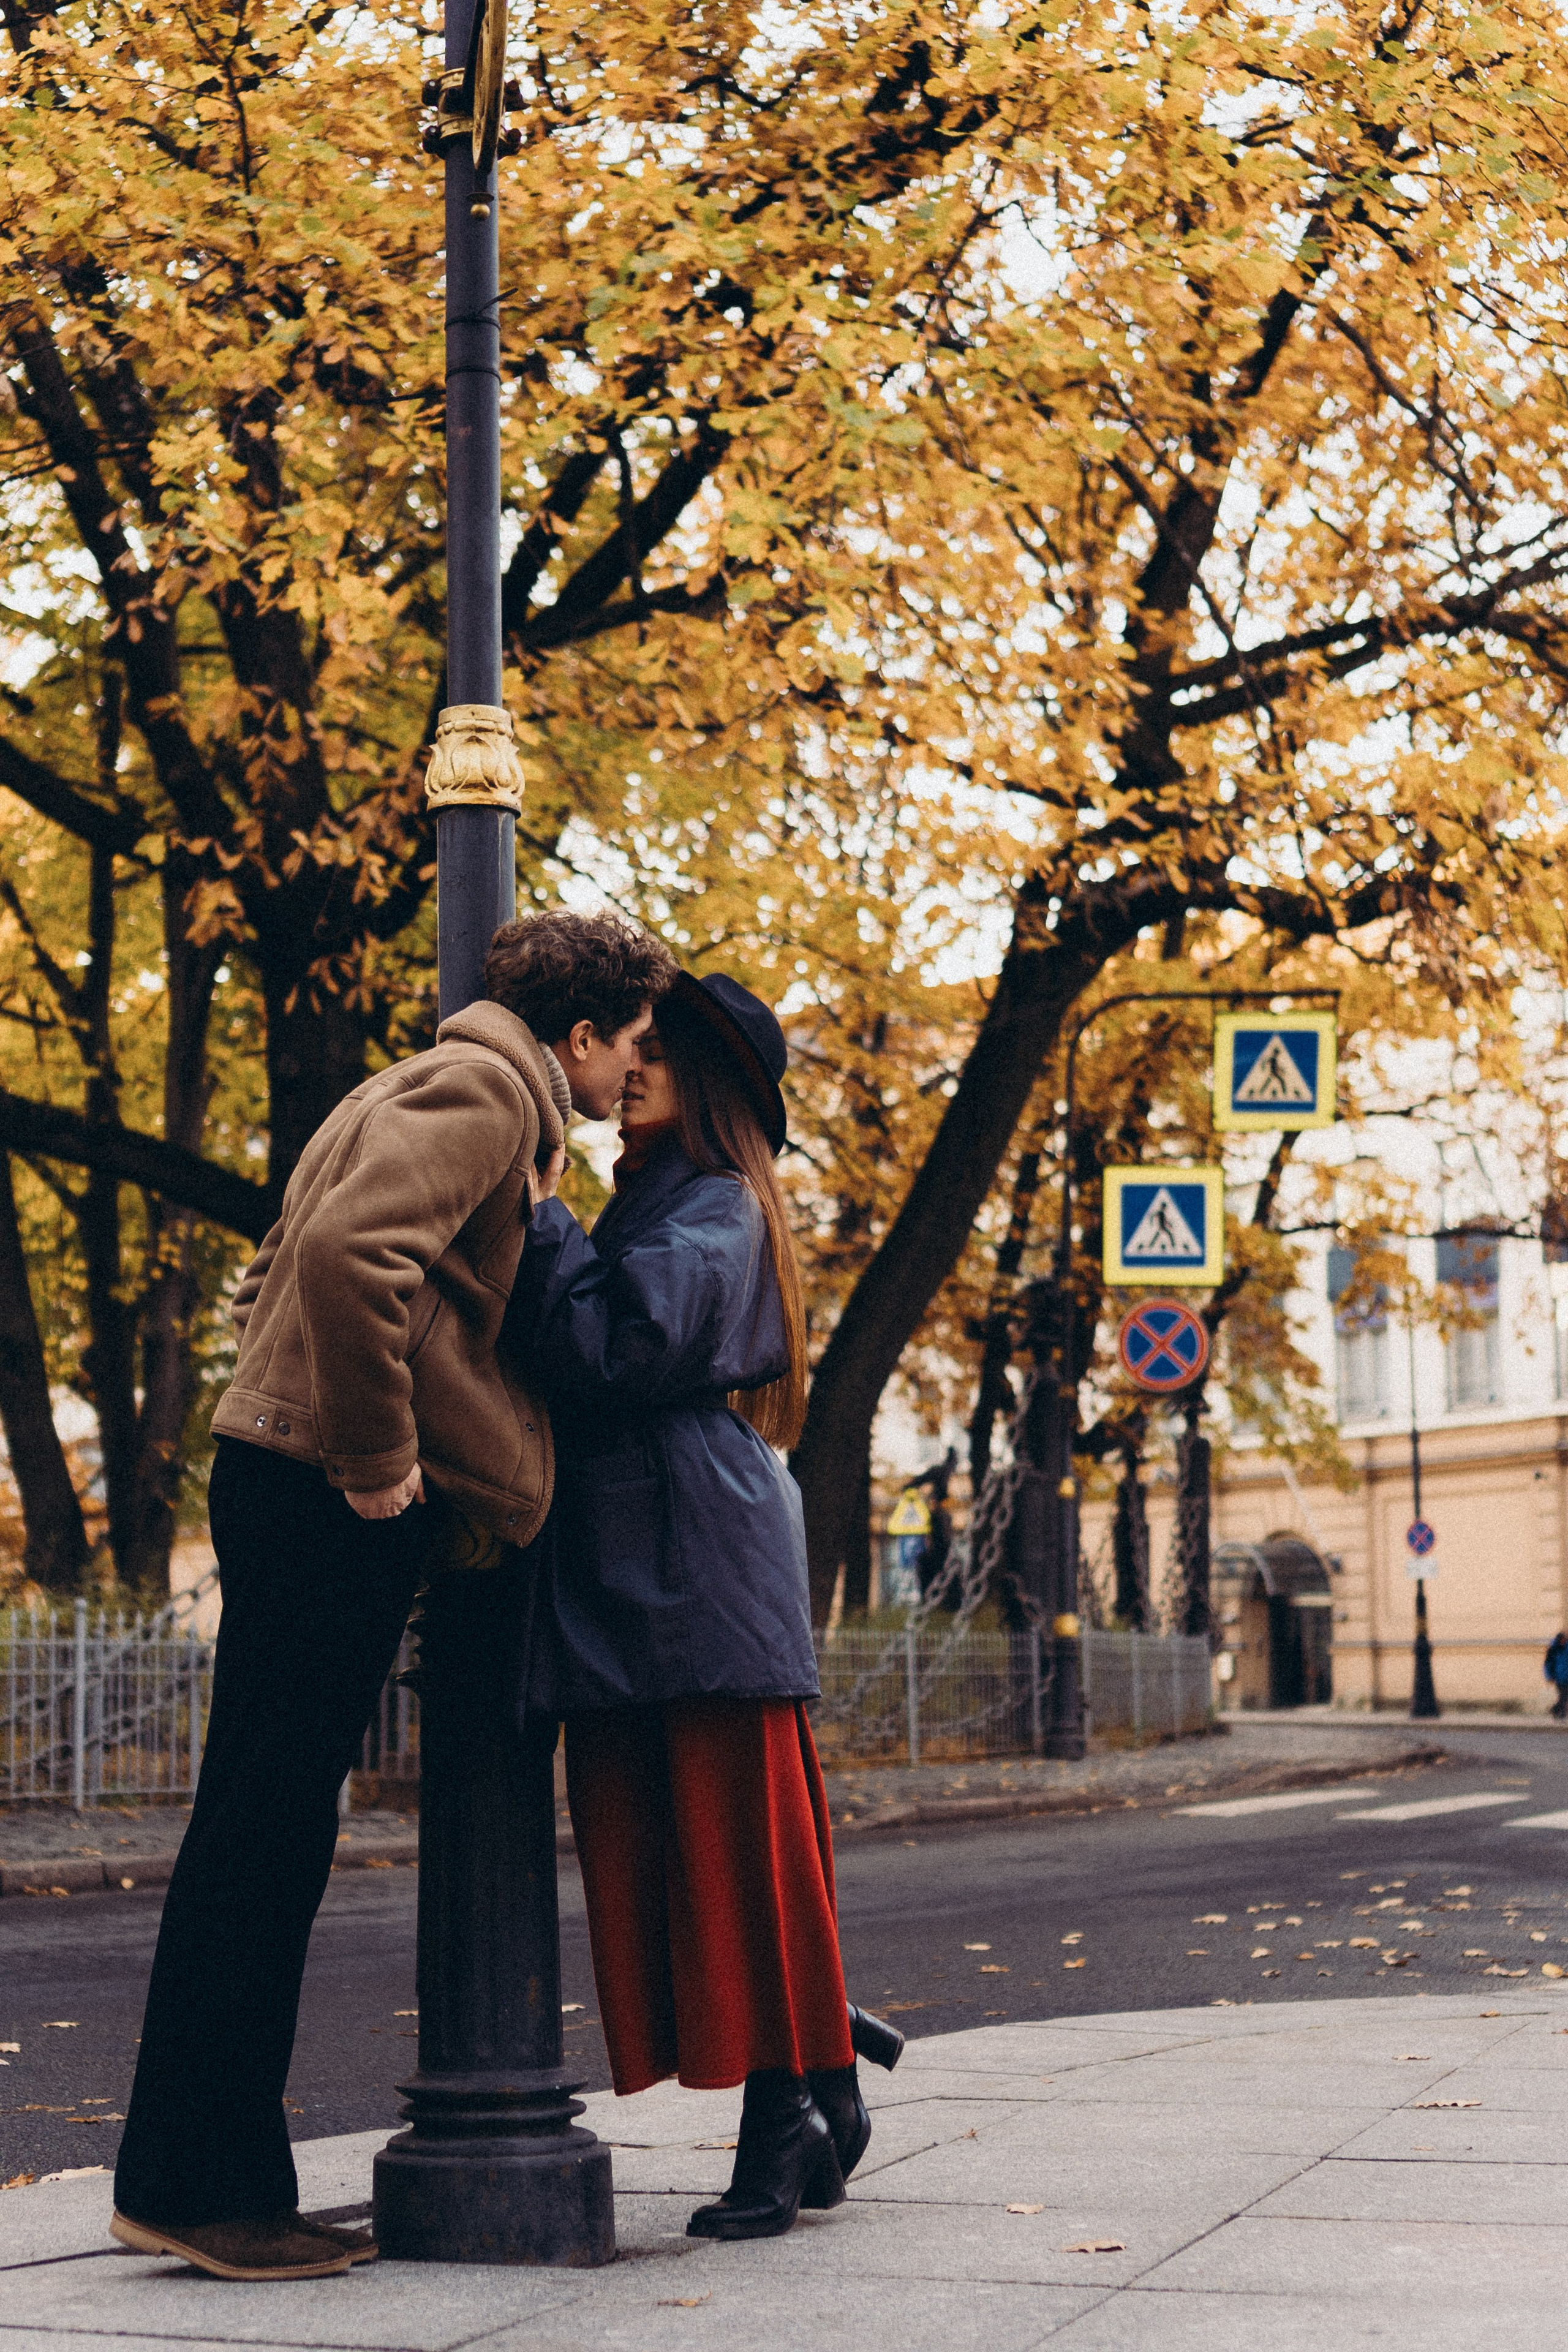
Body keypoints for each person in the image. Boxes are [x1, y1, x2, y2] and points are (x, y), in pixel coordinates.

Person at [111, 908, 675, 2282]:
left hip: (285, 1473)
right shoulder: (488, 1093)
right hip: (323, 1491)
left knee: (255, 1829)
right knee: (265, 1838)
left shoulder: (418, 1082)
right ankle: (207, 2192)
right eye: (631, 1045)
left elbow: (285, 1262)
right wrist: (371, 1458)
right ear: (580, 1035)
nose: (631, 1074)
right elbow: (345, 1259)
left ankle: (191, 2176)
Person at [508, 970, 903, 2244]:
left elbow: (614, 1348)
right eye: (630, 1050)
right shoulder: (658, 1199)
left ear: (709, 1086)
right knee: (672, 1854)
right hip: (651, 1561)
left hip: (698, 1567)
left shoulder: (718, 1204)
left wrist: (543, 1222)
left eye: (657, 1057)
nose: (628, 1070)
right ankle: (823, 2068)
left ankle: (788, 2114)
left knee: (737, 1854)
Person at [1545, 1630, 1568, 1719]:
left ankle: (1560, 1713)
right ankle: (1556, 1711)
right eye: (1563, 1639)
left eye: (1565, 1639)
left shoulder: (1566, 1648)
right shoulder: (1553, 1649)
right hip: (1559, 1678)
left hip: (1566, 1676)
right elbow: (1548, 1664)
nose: (1564, 1641)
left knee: (1564, 1697)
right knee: (1563, 1696)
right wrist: (1549, 1676)